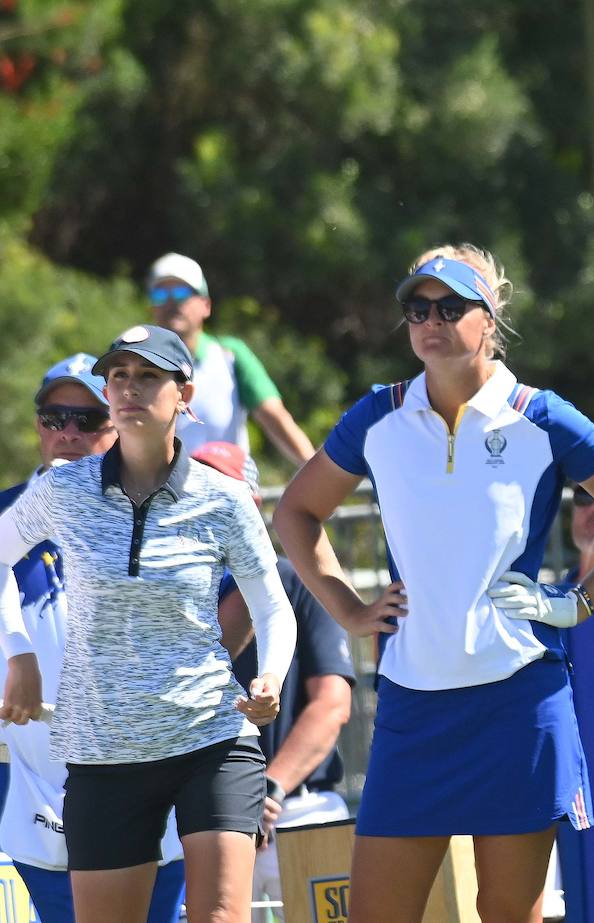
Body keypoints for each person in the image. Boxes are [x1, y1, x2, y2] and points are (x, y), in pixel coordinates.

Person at [272, 243, 594, 923]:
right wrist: (346, 607)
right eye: (417, 307)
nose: (430, 320)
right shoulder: (376, 417)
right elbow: (295, 511)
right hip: (413, 706)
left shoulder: (542, 416)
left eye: (451, 306)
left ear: (490, 319)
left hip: (518, 701)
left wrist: (575, 604)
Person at [0, 325, 298, 923]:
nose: (130, 389)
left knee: (219, 916)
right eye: (120, 377)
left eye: (149, 377)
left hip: (211, 738)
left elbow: (273, 608)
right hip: (101, 753)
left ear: (183, 395)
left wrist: (269, 677)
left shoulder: (224, 497)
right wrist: (19, 652)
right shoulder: (62, 489)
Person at [0, 355, 186, 923]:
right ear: (38, 425)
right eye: (55, 418)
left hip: (155, 779)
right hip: (38, 792)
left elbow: (246, 597)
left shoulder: (164, 511)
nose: (69, 435)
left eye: (88, 420)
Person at [193, 442, 355, 923]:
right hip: (205, 819)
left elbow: (333, 705)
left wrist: (268, 790)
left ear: (254, 504)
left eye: (221, 489)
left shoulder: (295, 578)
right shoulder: (158, 591)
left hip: (300, 814)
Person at [146, 252, 315, 468]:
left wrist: (319, 479)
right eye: (160, 295)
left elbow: (276, 418)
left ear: (206, 305)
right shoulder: (138, 365)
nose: (171, 302)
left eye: (181, 292)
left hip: (230, 496)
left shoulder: (230, 356)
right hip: (165, 499)